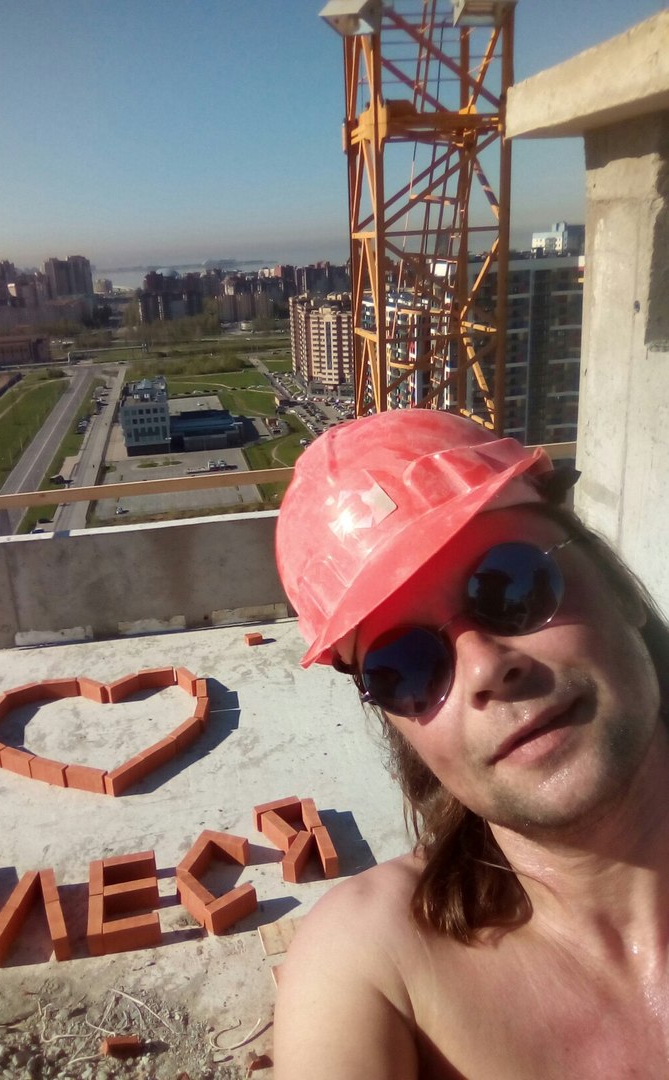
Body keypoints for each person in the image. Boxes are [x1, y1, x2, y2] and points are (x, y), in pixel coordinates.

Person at [272, 409, 669, 1078]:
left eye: (513, 586)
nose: (485, 668)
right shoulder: (375, 965)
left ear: (618, 586)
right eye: (407, 665)